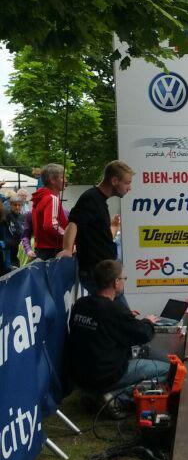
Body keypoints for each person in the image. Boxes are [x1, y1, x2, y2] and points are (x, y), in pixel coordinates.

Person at [67, 259, 170, 413]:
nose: (124, 281)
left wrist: (126, 318)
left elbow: (101, 329)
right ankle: (116, 397)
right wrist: (148, 321)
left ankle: (94, 393)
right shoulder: (114, 310)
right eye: (124, 278)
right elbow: (143, 335)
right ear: (116, 282)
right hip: (107, 375)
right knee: (168, 370)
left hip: (80, 375)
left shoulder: (81, 304)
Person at [59, 160, 133, 296]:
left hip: (105, 272)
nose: (130, 188)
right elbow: (73, 223)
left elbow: (101, 239)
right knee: (116, 309)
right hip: (97, 273)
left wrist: (113, 227)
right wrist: (67, 249)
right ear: (114, 181)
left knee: (117, 308)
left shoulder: (99, 200)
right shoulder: (90, 198)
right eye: (127, 183)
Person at [31, 163, 69, 260]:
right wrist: (68, 236)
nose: (65, 180)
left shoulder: (41, 198)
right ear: (52, 180)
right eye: (62, 177)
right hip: (52, 251)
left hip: (42, 250)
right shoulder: (52, 198)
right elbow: (51, 225)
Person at [4, 194, 25, 268]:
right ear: (10, 205)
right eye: (15, 205)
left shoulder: (23, 217)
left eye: (19, 205)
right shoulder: (6, 216)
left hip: (19, 250)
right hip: (8, 249)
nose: (17, 207)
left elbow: (22, 232)